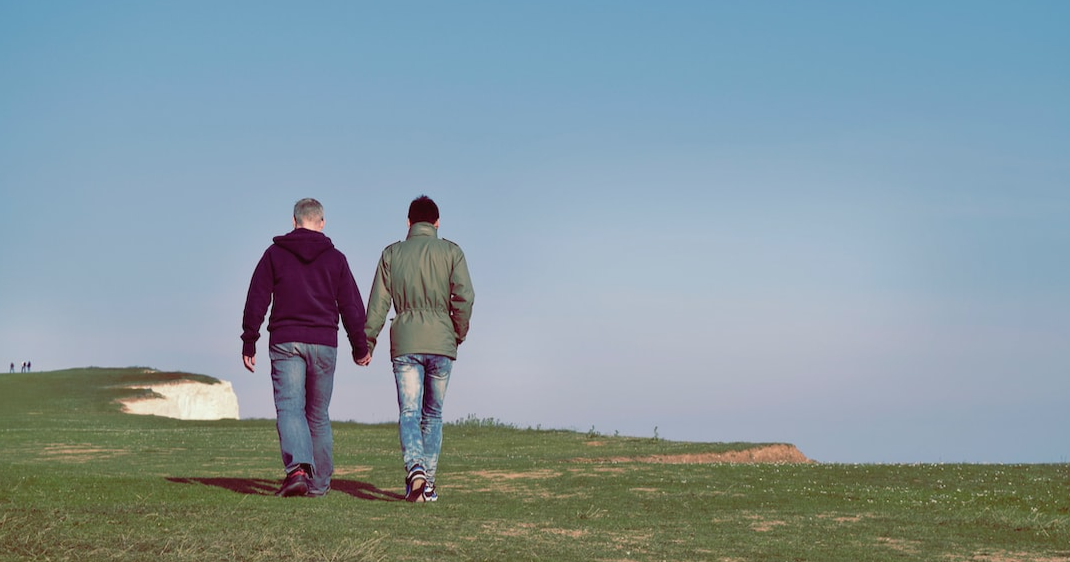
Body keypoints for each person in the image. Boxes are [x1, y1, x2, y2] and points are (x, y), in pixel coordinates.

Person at [241, 198, 370, 498]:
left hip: (286, 340)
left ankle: (298, 471)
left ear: (294, 220)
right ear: (322, 223)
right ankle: (319, 485)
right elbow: (351, 306)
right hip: (324, 343)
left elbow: (257, 298)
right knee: (318, 414)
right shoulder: (336, 259)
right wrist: (360, 347)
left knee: (290, 407)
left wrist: (249, 340)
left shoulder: (274, 254)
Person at [359, 195, 474, 502]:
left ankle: (416, 471)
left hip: (406, 342)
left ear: (408, 222)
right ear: (437, 223)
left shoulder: (391, 254)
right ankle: (428, 484)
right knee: (433, 415)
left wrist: (367, 341)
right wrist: (457, 332)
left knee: (409, 412)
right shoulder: (452, 252)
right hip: (442, 341)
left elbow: (379, 303)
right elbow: (465, 296)